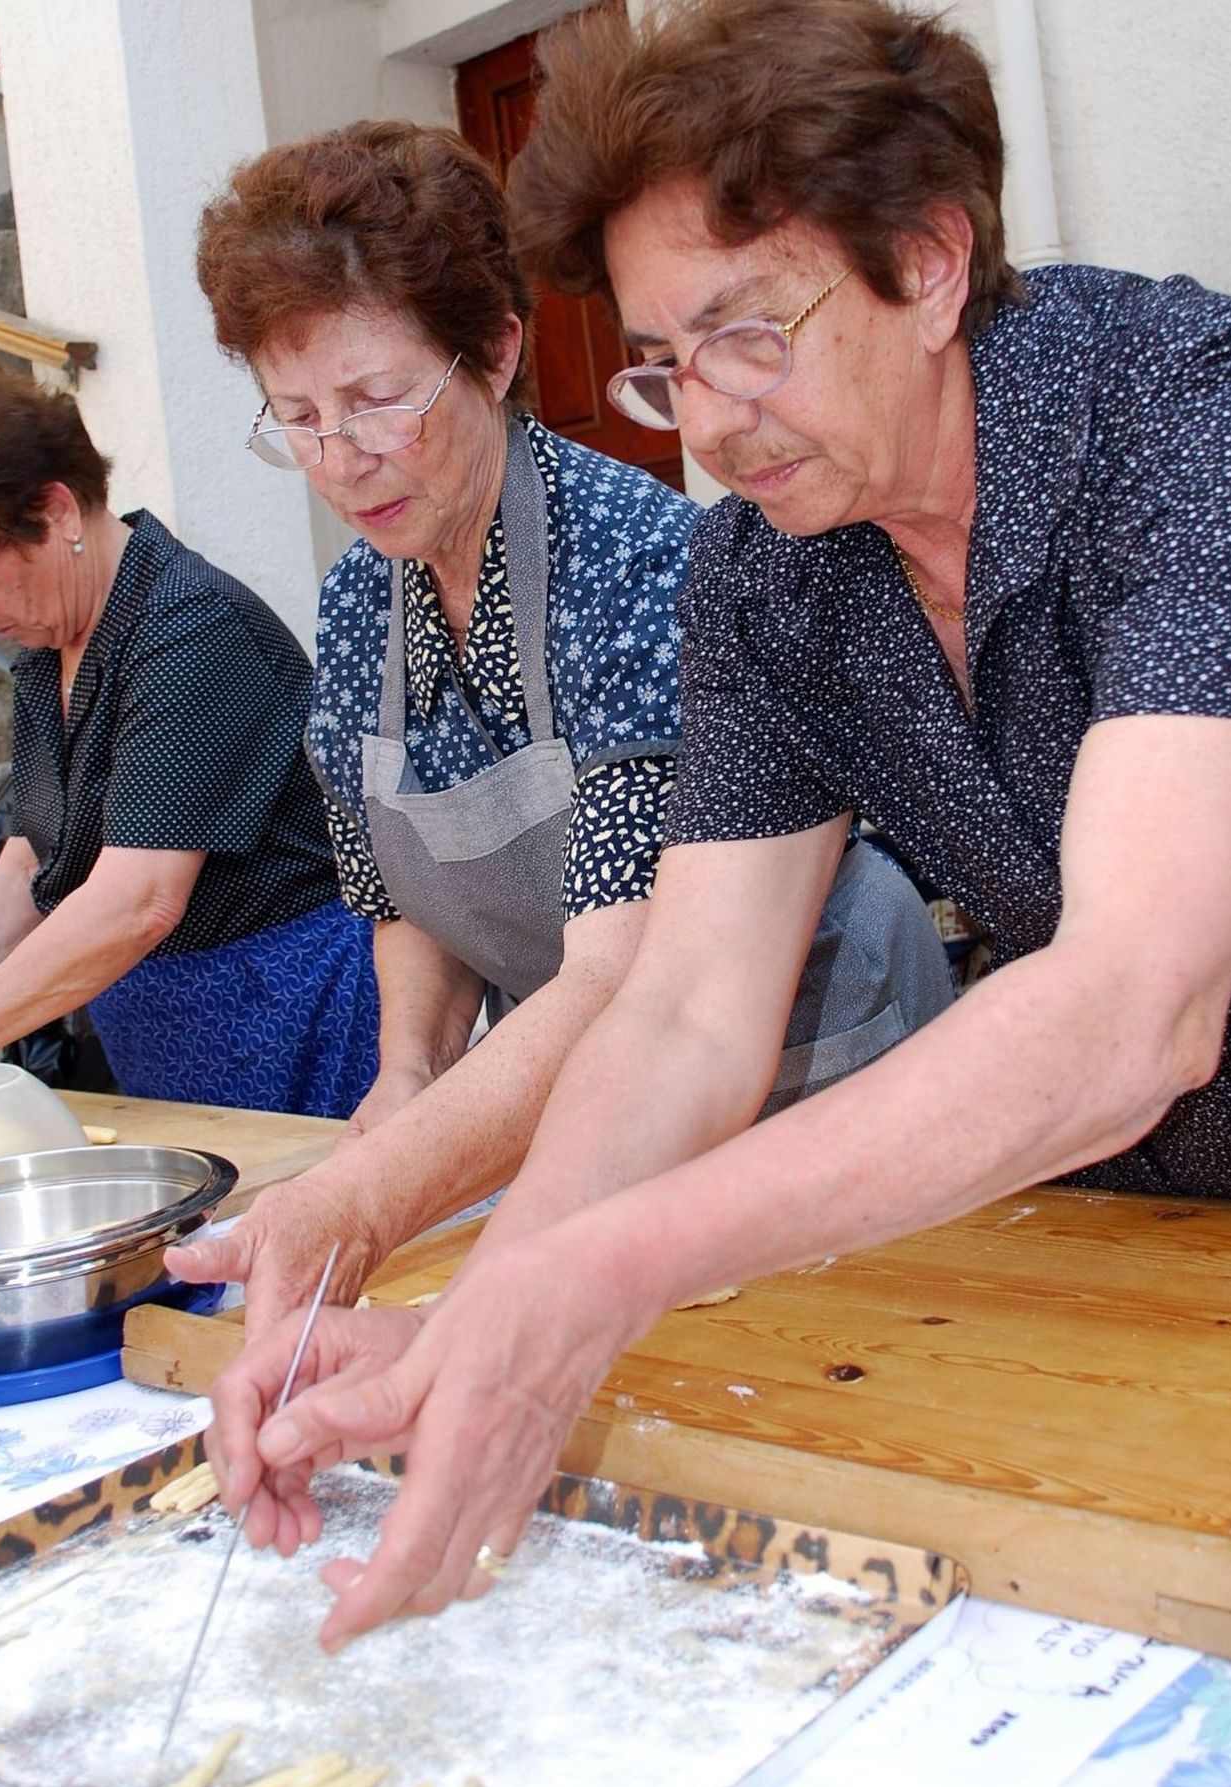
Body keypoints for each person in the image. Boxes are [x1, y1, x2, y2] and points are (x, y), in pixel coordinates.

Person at [204, 0, 1231, 1642]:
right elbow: (679, 1008)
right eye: (669, 367)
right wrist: (487, 1301)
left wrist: (594, 1276)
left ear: (929, 261)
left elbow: (1131, 1002)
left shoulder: (1194, 409)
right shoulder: (765, 575)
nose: (716, 422)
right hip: (1157, 1222)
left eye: (752, 334)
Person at [164, 123, 951, 1319]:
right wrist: (411, 1071)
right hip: (580, 1105)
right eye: (300, 416)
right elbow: (396, 894)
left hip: (814, 1064)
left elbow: (624, 977)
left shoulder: (632, 561)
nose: (343, 459)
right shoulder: (362, 600)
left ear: (492, 354)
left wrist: (376, 1190)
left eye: (379, 400)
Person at [0, 354, 378, 1135]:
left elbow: (137, 899)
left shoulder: (189, 628)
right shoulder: (47, 650)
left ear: (58, 511)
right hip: (167, 1037)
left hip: (289, 1018)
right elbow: (29, 864)